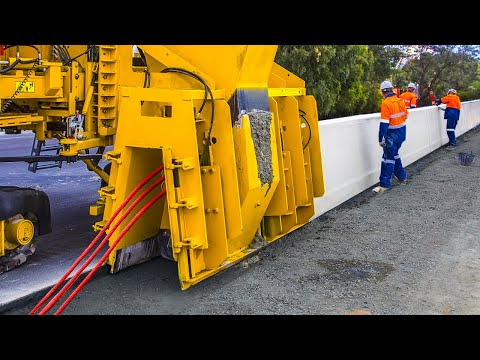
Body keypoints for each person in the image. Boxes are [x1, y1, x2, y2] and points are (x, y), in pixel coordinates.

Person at [372, 80, 409, 194]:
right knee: (394, 154)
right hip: (401, 132)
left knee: (387, 158)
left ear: (383, 92)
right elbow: (406, 115)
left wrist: (380, 138)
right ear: (391, 90)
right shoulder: (400, 101)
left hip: (392, 134)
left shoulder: (386, 103)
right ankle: (402, 177)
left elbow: (384, 123)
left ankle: (384, 185)